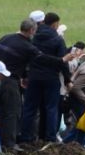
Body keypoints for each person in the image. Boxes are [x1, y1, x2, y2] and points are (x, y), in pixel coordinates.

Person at [0, 18, 72, 152]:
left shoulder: (6, 38)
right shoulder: (27, 46)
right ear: (31, 31)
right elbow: (43, 59)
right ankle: (9, 145)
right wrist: (62, 60)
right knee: (12, 112)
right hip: (10, 81)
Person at [19, 12, 72, 145]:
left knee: (30, 107)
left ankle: (25, 137)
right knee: (51, 108)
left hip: (34, 76)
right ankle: (49, 138)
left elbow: (26, 56)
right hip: (51, 77)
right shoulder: (58, 39)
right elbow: (63, 62)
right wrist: (67, 80)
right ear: (54, 24)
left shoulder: (33, 37)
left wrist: (25, 75)